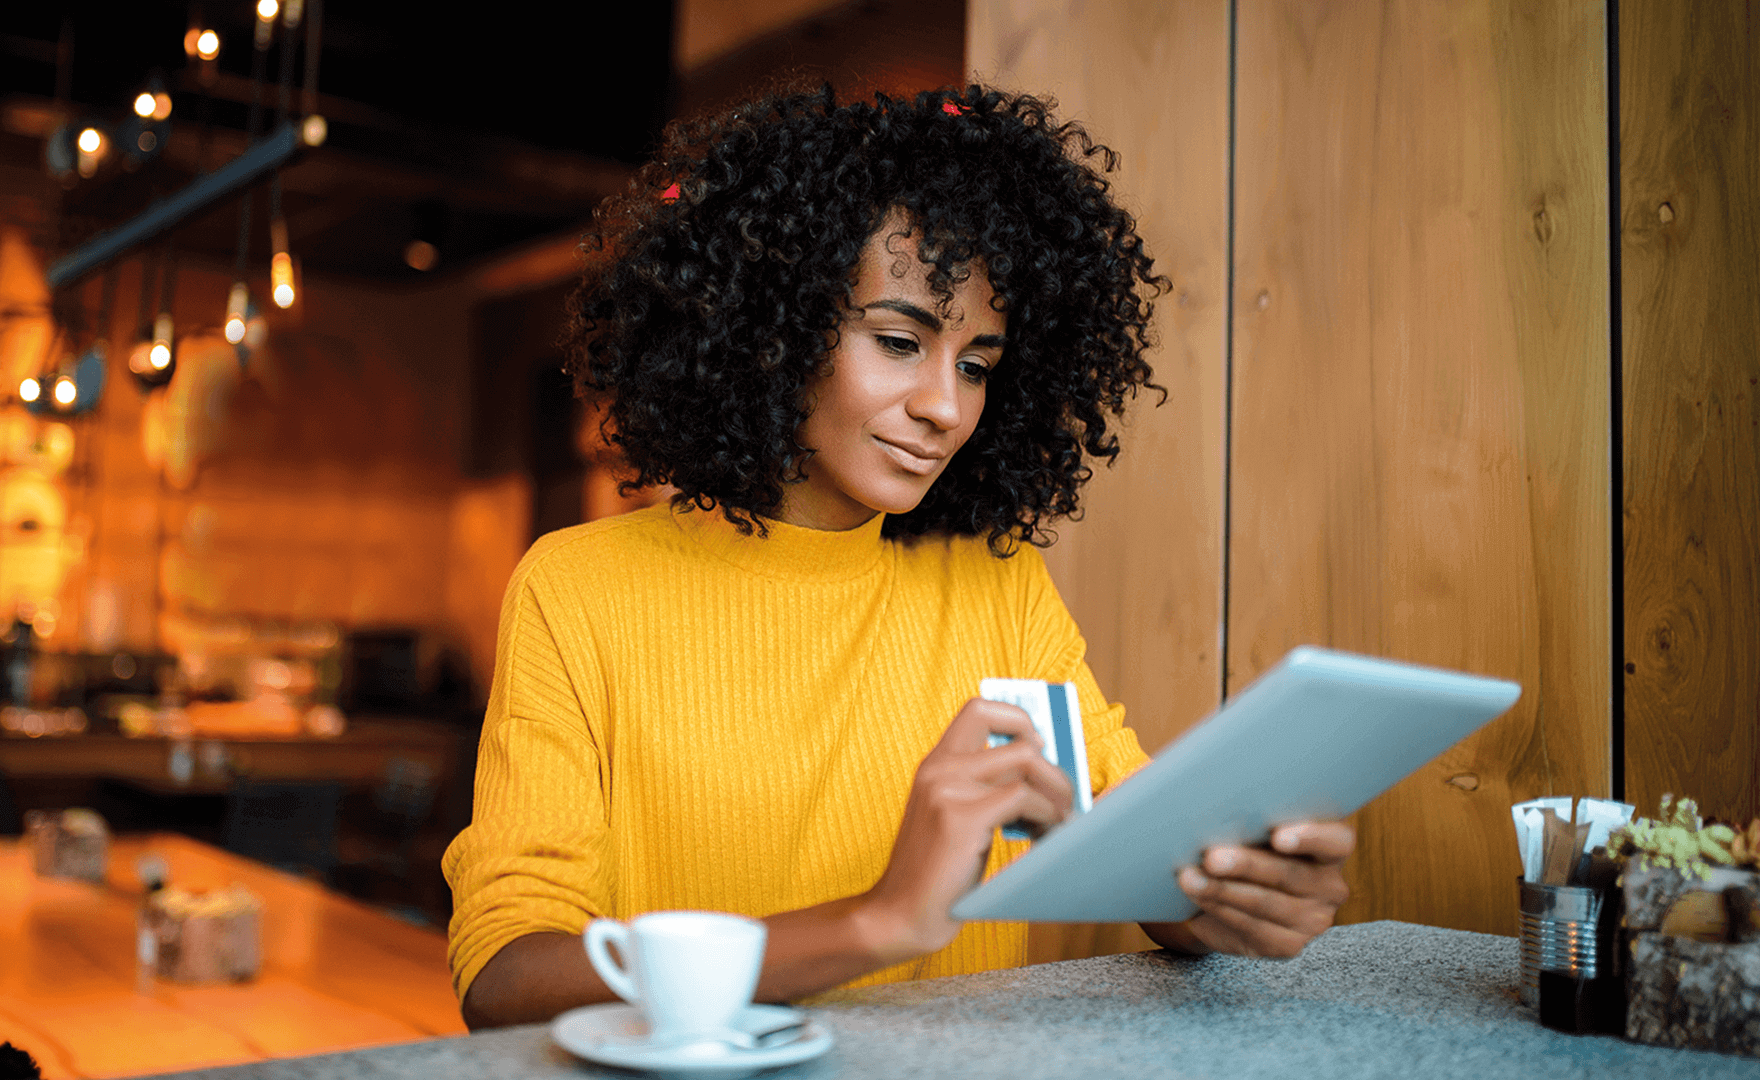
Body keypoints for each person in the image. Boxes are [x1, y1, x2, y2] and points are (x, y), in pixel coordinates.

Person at [442, 85, 1354, 1030]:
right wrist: (875, 923)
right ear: (772, 330)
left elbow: (1135, 853)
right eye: (898, 341)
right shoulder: (581, 588)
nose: (946, 409)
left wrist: (1235, 890)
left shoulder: (994, 585)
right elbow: (508, 978)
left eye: (975, 365)